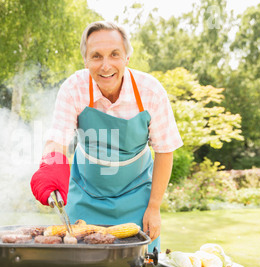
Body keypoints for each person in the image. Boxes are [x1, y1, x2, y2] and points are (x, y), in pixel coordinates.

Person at [30, 21, 183, 252]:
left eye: (114, 54)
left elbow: (165, 150)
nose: (106, 65)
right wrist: (49, 168)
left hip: (137, 196)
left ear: (127, 58)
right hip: (85, 195)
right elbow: (58, 139)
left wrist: (154, 207)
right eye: (96, 56)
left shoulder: (150, 91)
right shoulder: (73, 88)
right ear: (85, 60)